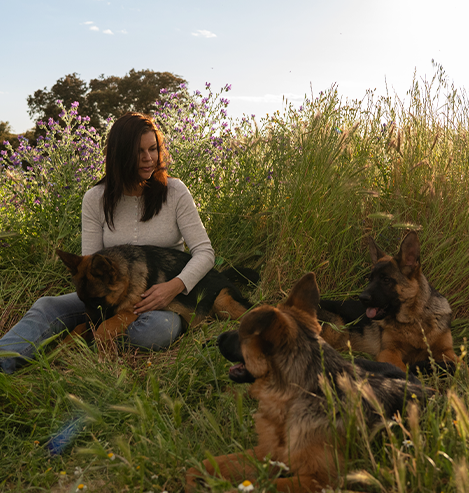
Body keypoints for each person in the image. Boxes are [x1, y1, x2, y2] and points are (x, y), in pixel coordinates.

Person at [0, 112, 215, 374]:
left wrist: (173, 287)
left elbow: (204, 252)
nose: (149, 159)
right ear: (120, 155)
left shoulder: (175, 191)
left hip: (158, 299)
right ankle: (4, 363)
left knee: (157, 331)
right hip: (108, 297)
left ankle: (80, 343)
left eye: (153, 149)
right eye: (139, 152)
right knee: (47, 306)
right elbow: (90, 263)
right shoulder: (95, 199)